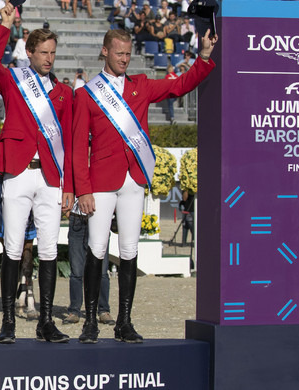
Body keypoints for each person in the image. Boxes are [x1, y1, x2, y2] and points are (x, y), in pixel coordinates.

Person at [71, 28, 216, 343]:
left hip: (134, 179)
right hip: (100, 182)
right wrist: (82, 189)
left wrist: (203, 58)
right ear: (105, 52)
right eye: (119, 53)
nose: (124, 59)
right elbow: (78, 145)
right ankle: (91, 322)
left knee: (129, 250)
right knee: (96, 249)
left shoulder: (142, 85)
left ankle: (124, 321)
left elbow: (180, 86)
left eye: (128, 54)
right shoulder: (85, 94)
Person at [0, 3, 74, 344]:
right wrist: (5, 26)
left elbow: (69, 140)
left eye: (53, 53)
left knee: (48, 248)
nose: (49, 58)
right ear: (30, 53)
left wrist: (71, 186)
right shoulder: (14, 81)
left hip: (51, 177)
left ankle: (46, 322)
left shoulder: (64, 93)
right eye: (43, 52)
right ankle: (8, 321)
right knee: (11, 246)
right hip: (18, 173)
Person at [63, 202, 114, 328]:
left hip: (98, 216)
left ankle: (103, 310)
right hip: (77, 217)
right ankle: (74, 310)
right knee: (76, 270)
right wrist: (68, 211)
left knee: (102, 270)